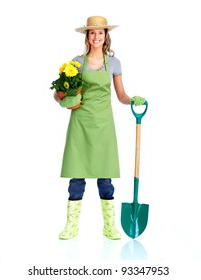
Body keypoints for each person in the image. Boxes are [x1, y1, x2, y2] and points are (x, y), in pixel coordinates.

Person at [53, 16, 145, 240]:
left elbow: (121, 95)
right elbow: (59, 93)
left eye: (100, 32)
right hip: (80, 123)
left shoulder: (114, 64)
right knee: (77, 176)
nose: (96, 36)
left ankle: (109, 226)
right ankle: (71, 226)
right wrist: (64, 100)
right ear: (87, 36)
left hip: (104, 124)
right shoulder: (75, 63)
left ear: (106, 36)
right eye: (92, 33)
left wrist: (133, 100)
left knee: (105, 176)